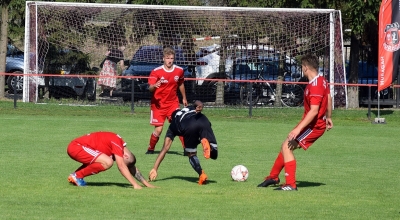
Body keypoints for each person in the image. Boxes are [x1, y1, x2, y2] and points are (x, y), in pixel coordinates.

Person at [257, 54, 333, 191]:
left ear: (305, 68)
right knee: (285, 145)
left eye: (301, 67)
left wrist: (298, 130)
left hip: (314, 126)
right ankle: (273, 177)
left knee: (287, 147)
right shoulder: (321, 80)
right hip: (312, 123)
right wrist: (329, 116)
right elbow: (328, 97)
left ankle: (290, 184)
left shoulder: (315, 86)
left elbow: (314, 111)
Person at [148, 100, 218, 185]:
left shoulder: (173, 125)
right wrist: (200, 105)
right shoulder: (189, 108)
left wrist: (155, 168)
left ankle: (201, 174)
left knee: (191, 154)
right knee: (214, 155)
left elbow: (165, 149)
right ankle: (205, 140)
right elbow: (197, 102)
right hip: (203, 120)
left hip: (189, 126)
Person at [67, 131, 156, 189]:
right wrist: (135, 185)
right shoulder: (117, 145)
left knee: (104, 160)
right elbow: (121, 166)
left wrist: (146, 184)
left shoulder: (122, 148)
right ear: (126, 156)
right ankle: (77, 176)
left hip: (78, 147)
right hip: (77, 147)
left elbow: (131, 166)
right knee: (108, 162)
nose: (124, 165)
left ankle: (75, 176)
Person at [145, 46, 188, 154]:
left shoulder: (179, 70)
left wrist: (184, 98)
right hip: (158, 105)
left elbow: (181, 84)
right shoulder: (156, 72)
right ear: (163, 58)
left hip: (173, 104)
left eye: (171, 58)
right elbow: (150, 88)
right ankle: (150, 149)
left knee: (178, 125)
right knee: (158, 130)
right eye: (167, 58)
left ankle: (186, 149)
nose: (169, 60)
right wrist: (154, 86)